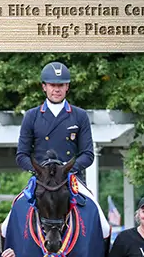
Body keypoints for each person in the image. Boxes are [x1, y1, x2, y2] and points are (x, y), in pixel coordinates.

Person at [14, 61, 111, 241]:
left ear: (67, 87)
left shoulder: (79, 115)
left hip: (70, 178)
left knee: (104, 227)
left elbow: (88, 154)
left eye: (61, 85)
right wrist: (40, 171)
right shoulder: (31, 116)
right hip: (42, 180)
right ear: (44, 87)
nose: (56, 89)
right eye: (52, 85)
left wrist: (66, 169)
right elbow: (21, 155)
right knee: (6, 226)